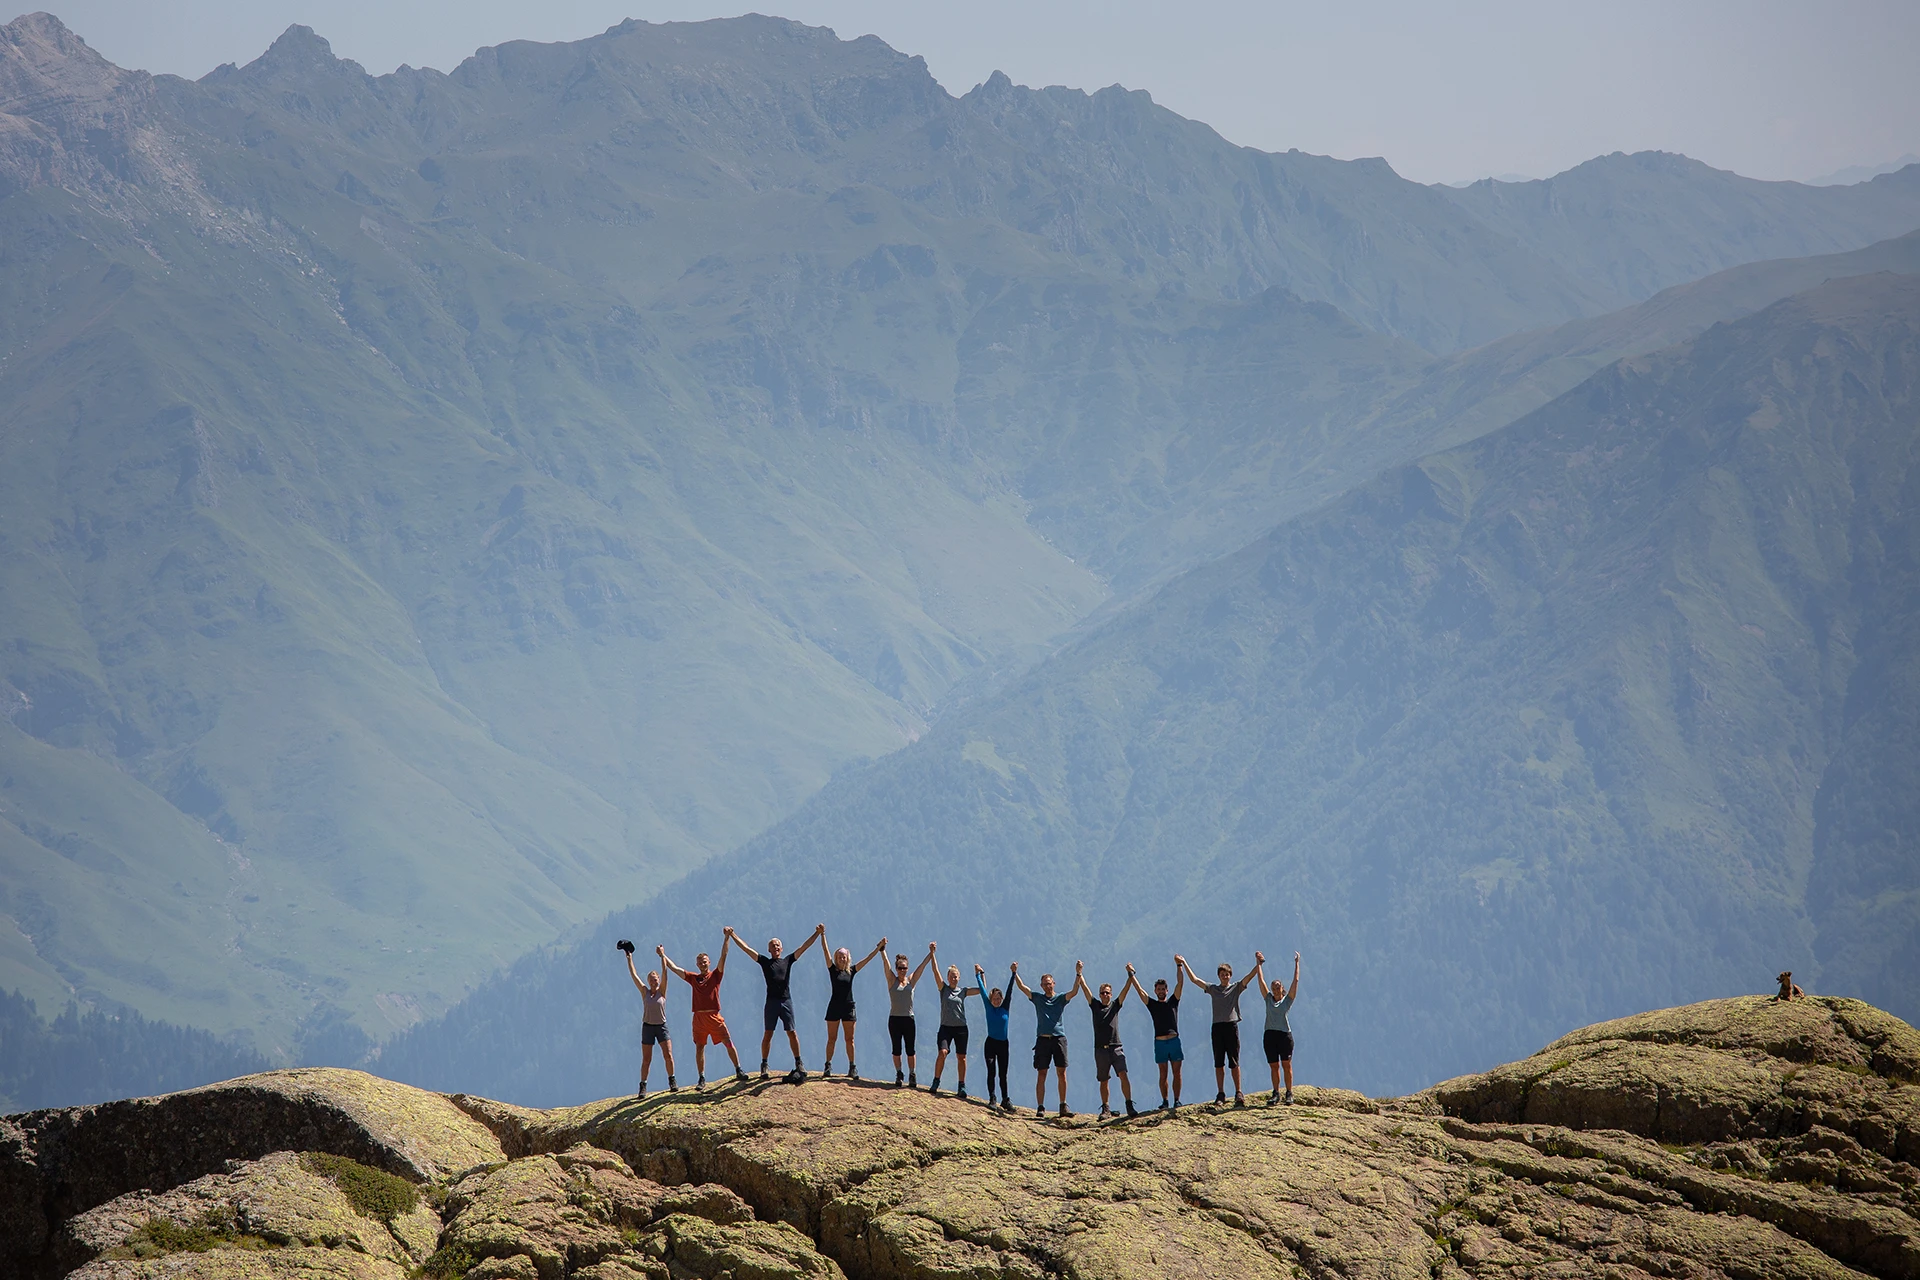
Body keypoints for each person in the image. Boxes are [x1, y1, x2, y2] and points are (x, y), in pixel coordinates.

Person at [725, 923, 824, 1080]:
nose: (776, 947)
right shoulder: (765, 962)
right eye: (773, 946)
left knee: (792, 1032)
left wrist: (817, 934)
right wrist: (733, 935)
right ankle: (764, 1065)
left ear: (781, 949)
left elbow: (804, 947)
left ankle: (799, 1062)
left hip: (786, 1001)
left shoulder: (788, 960)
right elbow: (747, 949)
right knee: (768, 1034)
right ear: (769, 950)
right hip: (771, 1002)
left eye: (778, 945)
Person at [658, 938, 749, 1088]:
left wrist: (726, 938)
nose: (702, 964)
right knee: (700, 1047)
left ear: (709, 962)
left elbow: (724, 955)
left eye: (704, 962)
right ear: (697, 965)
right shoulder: (694, 978)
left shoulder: (715, 976)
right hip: (699, 1017)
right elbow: (675, 968)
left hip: (714, 1016)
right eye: (700, 962)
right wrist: (663, 955)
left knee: (728, 1042)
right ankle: (701, 1078)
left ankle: (738, 1069)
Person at [1179, 950, 1262, 1106]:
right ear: (1219, 976)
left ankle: (1238, 1092)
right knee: (1218, 1062)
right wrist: (1183, 963)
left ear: (1230, 975)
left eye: (1227, 974)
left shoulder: (1236, 988)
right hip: (1217, 1027)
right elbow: (1194, 980)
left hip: (1231, 1026)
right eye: (1222, 974)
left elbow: (1249, 977)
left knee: (1234, 1061)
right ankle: (1221, 1093)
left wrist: (1258, 964)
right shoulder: (1213, 989)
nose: (1225, 976)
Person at [1011, 960, 1084, 1118]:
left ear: (1054, 983)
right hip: (1043, 1040)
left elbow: (1074, 992)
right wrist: (1015, 973)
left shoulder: (1060, 998)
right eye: (1044, 984)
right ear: (1041, 985)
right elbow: (1023, 987)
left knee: (1061, 1072)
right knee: (1041, 1073)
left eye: (1049, 983)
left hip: (1059, 1038)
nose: (1047, 986)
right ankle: (1040, 1107)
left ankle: (1063, 1105)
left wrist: (1078, 973)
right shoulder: (1038, 998)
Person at [820, 928, 887, 1080]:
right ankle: (828, 1065)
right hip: (834, 1007)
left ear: (848, 958)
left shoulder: (852, 970)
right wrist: (822, 935)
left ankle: (852, 1066)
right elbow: (825, 950)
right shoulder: (832, 970)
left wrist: (879, 948)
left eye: (844, 956)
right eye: (839, 956)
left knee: (849, 1039)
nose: (842, 959)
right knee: (832, 1038)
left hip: (849, 1006)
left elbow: (867, 959)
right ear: (836, 958)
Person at [1074, 964, 1139, 1119]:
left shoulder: (1115, 1005)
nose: (1105, 995)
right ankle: (1106, 1108)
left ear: (1111, 994)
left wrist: (1131, 973)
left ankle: (1129, 1105)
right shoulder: (1094, 1005)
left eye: (1107, 993)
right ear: (1100, 994)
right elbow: (1084, 987)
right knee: (1104, 1080)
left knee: (1123, 1074)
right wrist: (1079, 973)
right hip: (1100, 1049)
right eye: (1102, 993)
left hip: (1116, 1046)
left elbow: (1126, 989)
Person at [623, 941, 677, 1096]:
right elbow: (634, 975)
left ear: (658, 980)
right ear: (648, 981)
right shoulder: (644, 992)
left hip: (661, 1026)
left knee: (668, 1055)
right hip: (647, 1027)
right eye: (651, 979)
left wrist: (662, 956)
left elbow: (665, 972)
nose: (654, 981)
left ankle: (672, 1080)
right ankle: (643, 1086)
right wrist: (629, 958)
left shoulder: (663, 992)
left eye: (655, 979)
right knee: (646, 1059)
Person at [927, 944, 981, 1098]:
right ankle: (936, 1081)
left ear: (959, 978)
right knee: (943, 1052)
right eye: (951, 976)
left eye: (956, 976)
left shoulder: (963, 991)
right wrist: (932, 954)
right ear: (948, 977)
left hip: (961, 1028)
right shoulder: (943, 988)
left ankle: (961, 1085)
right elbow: (935, 971)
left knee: (961, 1057)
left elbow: (980, 990)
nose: (953, 978)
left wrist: (980, 974)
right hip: (945, 1027)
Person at [1130, 960, 1185, 1111]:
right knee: (1163, 1074)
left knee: (1177, 1073)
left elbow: (1180, 984)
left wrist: (1179, 965)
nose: (1161, 991)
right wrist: (1131, 974)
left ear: (1167, 991)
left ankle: (1177, 1100)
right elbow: (1140, 991)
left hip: (1174, 1040)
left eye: (1163, 989)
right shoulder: (1152, 1004)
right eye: (1158, 989)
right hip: (1160, 1042)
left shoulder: (1173, 1002)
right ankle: (1165, 1101)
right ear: (1155, 991)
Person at [885, 942, 937, 1088]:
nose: (902, 970)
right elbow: (885, 964)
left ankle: (912, 1074)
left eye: (905, 968)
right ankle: (899, 1073)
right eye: (900, 968)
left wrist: (931, 953)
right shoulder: (891, 980)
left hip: (908, 1019)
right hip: (894, 1019)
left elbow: (922, 967)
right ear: (896, 969)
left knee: (910, 1049)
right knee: (896, 1049)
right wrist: (882, 950)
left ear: (907, 969)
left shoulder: (911, 980)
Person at [1254, 951, 1301, 1105]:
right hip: (1270, 1035)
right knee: (1274, 1066)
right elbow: (1260, 981)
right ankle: (1276, 1093)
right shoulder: (1268, 999)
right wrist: (1258, 964)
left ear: (1282, 989)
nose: (1275, 990)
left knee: (1286, 1065)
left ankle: (1289, 1093)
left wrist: (1297, 964)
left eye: (1277, 987)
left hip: (1284, 1036)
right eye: (1273, 988)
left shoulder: (1287, 1001)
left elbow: (1295, 982)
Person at [974, 962, 1014, 1109]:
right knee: (991, 1071)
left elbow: (1010, 990)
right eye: (994, 999)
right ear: (991, 1000)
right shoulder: (988, 1007)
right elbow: (983, 990)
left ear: (1002, 999)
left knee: (1003, 1073)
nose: (996, 1001)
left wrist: (1013, 974)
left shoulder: (1005, 1007)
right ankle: (992, 1098)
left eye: (999, 999)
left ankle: (1005, 1099)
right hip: (990, 1043)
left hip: (1003, 1044)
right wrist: (977, 974)